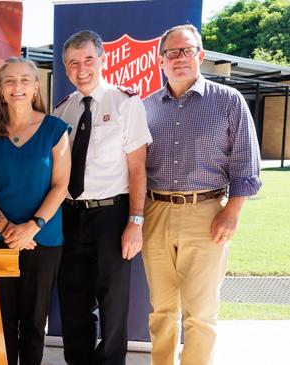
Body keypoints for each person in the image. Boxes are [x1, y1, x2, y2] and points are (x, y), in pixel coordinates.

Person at [142, 24, 261, 365]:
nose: (179, 58)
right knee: (161, 311)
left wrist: (232, 211)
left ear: (201, 55)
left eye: (187, 50)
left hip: (207, 213)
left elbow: (246, 163)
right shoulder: (148, 107)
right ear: (160, 59)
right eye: (172, 52)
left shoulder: (228, 101)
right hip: (156, 212)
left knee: (201, 313)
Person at [53, 30, 152, 365]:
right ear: (65, 68)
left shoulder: (125, 102)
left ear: (102, 60)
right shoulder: (62, 111)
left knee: (113, 303)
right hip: (69, 216)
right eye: (73, 62)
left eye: (88, 59)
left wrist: (135, 223)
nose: (81, 68)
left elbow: (138, 168)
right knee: (73, 300)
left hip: (112, 216)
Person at [0, 57, 71, 365]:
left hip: (43, 239)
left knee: (33, 322)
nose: (17, 87)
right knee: (3, 322)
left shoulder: (54, 128)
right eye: (9, 81)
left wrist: (32, 226)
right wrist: (7, 230)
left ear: (35, 87)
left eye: (25, 80)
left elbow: (61, 185)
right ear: (0, 90)